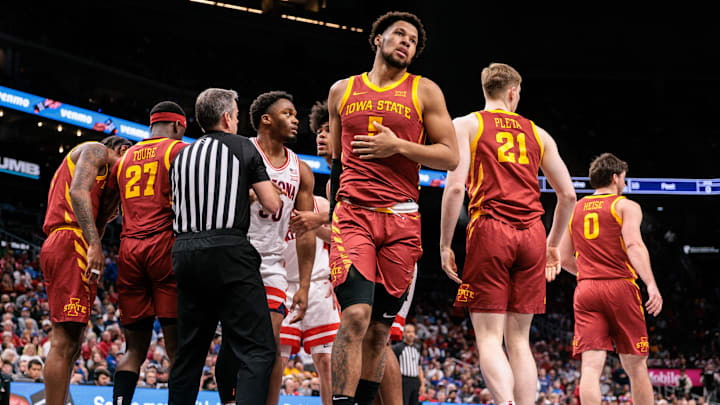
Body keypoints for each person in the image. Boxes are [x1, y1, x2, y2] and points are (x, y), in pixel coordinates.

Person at [326, 11, 458, 405]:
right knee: (354, 317)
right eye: (399, 34)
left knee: (381, 333)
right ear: (377, 39)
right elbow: (337, 161)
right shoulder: (342, 91)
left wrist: (398, 146)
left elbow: (450, 156)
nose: (406, 42)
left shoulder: (425, 91)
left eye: (413, 40)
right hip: (353, 216)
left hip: (402, 220)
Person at [439, 62, 576, 405]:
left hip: (490, 229)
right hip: (532, 233)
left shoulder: (467, 124)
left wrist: (444, 245)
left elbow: (455, 189)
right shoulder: (539, 133)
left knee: (488, 338)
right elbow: (569, 195)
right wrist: (554, 244)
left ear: (486, 89)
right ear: (513, 92)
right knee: (519, 340)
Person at [168, 88, 281, 405]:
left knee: (189, 353)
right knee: (258, 349)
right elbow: (272, 204)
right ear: (227, 117)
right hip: (228, 250)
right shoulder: (243, 146)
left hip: (185, 252)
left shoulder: (181, 155)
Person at [553, 153, 663, 405]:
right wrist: (651, 284)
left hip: (586, 288)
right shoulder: (626, 205)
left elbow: (564, 257)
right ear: (615, 178)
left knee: (591, 367)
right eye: (624, 178)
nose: (624, 183)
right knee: (636, 366)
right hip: (620, 286)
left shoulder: (576, 208)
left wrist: (589, 274)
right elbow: (634, 244)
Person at [106, 100, 189, 405]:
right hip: (164, 246)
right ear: (179, 125)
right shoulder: (177, 150)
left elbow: (110, 207)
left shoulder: (124, 158)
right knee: (176, 348)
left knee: (133, 350)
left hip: (128, 250)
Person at [39, 135, 131, 405]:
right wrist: (94, 244)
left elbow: (99, 217)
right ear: (121, 150)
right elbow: (77, 191)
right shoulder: (95, 150)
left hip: (74, 243)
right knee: (63, 341)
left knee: (74, 343)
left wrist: (112, 201)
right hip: (70, 240)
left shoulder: (105, 181)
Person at [244, 90, 316, 405]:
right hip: (237, 253)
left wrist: (302, 284)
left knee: (272, 346)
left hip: (272, 262)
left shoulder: (301, 169)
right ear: (266, 119)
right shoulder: (243, 150)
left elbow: (304, 230)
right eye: (288, 113)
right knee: (240, 342)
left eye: (295, 115)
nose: (296, 119)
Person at [279, 195, 336, 405]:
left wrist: (314, 224)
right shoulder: (272, 201)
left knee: (327, 361)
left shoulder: (320, 204)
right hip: (284, 283)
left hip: (318, 283)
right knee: (278, 360)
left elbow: (342, 237)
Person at [392, 324, 424, 405]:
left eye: (413, 332)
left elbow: (419, 367)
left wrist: (422, 384)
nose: (411, 334)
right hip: (403, 380)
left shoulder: (417, 348)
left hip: (415, 381)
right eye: (408, 332)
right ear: (403, 333)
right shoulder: (397, 348)